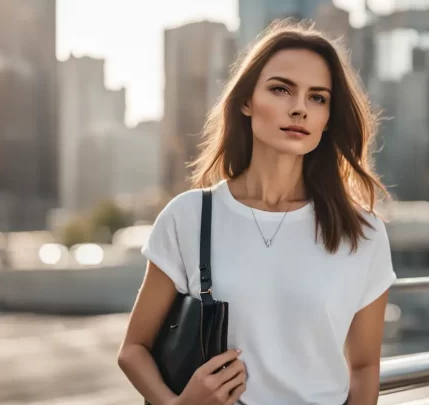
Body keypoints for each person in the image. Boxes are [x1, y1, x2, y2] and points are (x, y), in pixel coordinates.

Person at [117, 20, 396, 405]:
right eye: (281, 89)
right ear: (246, 100)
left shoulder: (363, 231)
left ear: (328, 118)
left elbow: (364, 367)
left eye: (317, 98)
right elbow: (133, 348)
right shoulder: (189, 215)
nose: (299, 108)